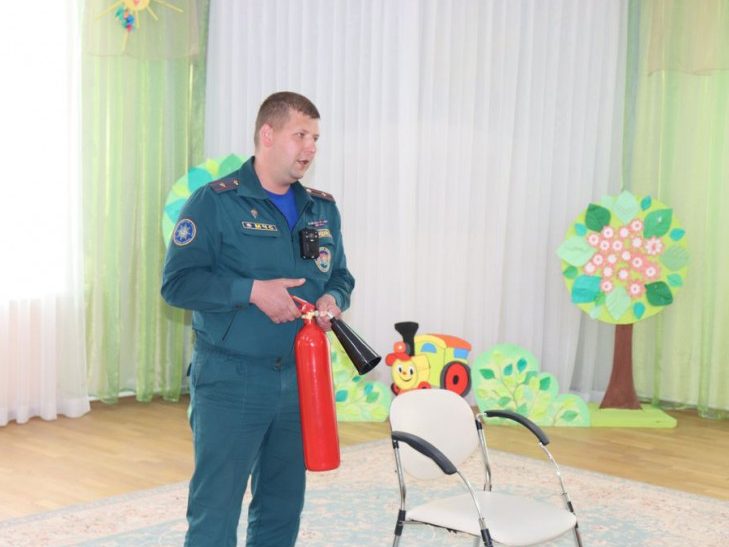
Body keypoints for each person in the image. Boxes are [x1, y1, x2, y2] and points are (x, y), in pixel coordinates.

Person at [161, 91, 355, 546]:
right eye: (300, 135)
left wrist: (333, 298)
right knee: (216, 507)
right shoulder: (215, 202)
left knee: (282, 503)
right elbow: (177, 284)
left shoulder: (321, 208)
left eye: (316, 138)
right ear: (268, 134)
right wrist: (250, 291)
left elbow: (340, 275)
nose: (310, 147)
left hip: (298, 378)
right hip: (232, 378)